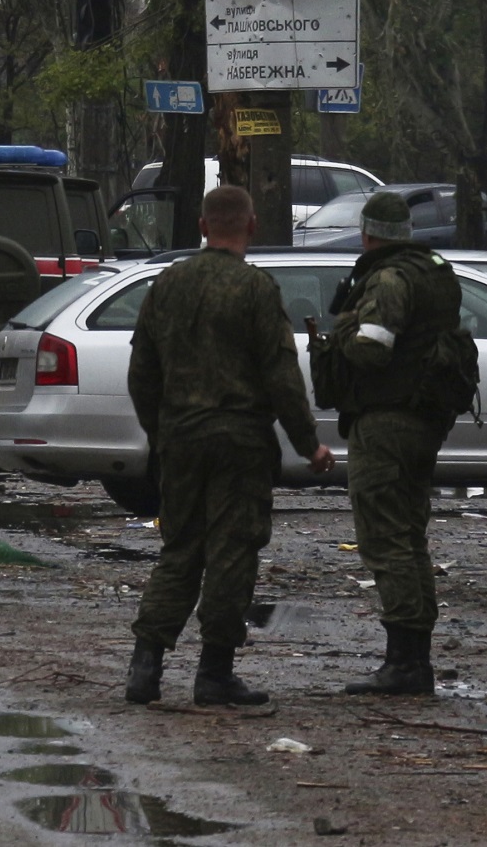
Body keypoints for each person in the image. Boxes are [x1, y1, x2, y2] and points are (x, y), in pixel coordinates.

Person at [123, 184, 334, 707]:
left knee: (180, 549)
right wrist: (310, 444)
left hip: (182, 438)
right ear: (252, 227)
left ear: (201, 226)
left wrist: (161, 431)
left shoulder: (167, 284)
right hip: (240, 442)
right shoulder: (256, 289)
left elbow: (141, 371)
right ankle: (215, 672)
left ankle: (145, 665)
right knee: (231, 552)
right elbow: (282, 377)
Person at [314, 190, 476, 697]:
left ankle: (404, 663)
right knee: (409, 536)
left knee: (386, 538)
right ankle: (414, 659)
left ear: (367, 234)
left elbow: (373, 349)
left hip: (387, 420)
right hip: (421, 419)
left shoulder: (387, 278)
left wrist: (334, 340)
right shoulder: (433, 269)